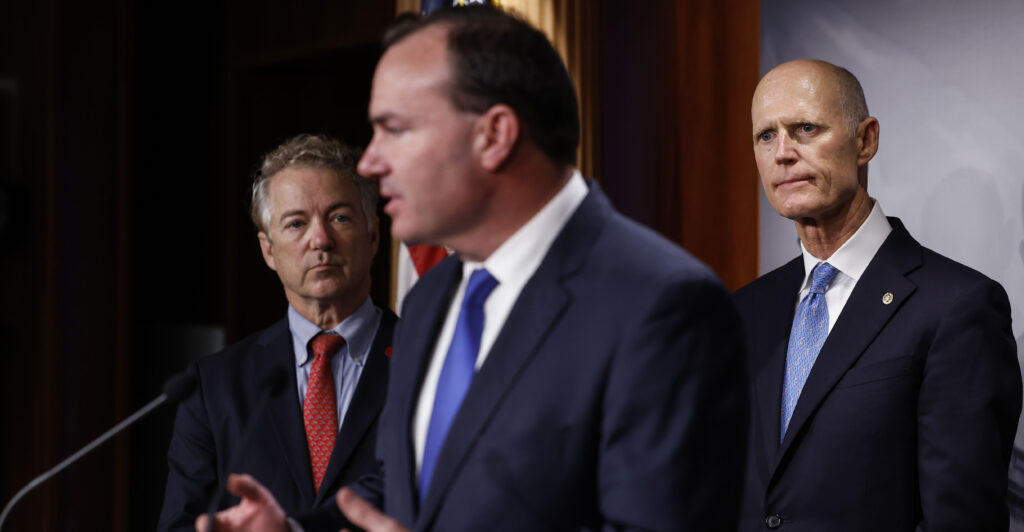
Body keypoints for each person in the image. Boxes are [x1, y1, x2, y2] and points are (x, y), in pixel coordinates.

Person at [199, 6, 748, 532]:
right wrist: (294, 528)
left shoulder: (662, 306)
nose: (370, 161)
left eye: (396, 129)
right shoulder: (430, 298)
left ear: (493, 135)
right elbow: (411, 484)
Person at [735, 59, 1022, 531]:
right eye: (766, 135)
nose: (782, 153)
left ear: (865, 140)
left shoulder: (958, 307)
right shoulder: (743, 312)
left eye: (805, 128)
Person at [158, 134, 396, 531]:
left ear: (373, 237)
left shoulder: (430, 360)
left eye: (339, 218)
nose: (320, 240)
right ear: (268, 250)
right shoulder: (213, 386)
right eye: (296, 223)